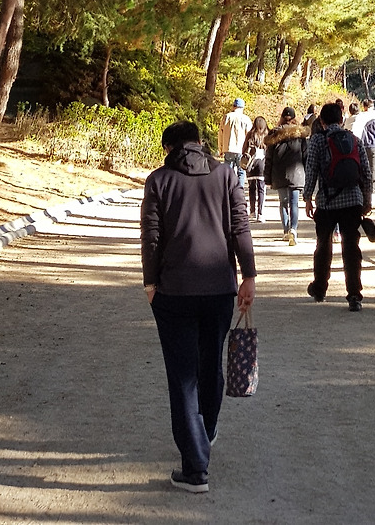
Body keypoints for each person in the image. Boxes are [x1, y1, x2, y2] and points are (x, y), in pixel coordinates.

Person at [141, 119, 256, 495]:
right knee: (210, 366)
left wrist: (150, 283)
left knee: (182, 376)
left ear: (169, 148)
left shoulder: (159, 180)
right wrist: (248, 275)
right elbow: (240, 226)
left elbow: (152, 237)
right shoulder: (225, 175)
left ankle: (195, 469)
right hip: (220, 288)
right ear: (199, 142)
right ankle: (206, 431)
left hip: (174, 292)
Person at [303, 99, 372, 309]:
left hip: (327, 202)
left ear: (322, 121)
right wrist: (367, 199)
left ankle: (320, 288)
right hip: (353, 201)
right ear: (342, 120)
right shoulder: (354, 139)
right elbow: (366, 172)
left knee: (323, 246)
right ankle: (354, 294)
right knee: (351, 247)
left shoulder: (317, 140)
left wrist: (308, 198)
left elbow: (311, 170)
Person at [264, 104, 308, 244]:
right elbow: (306, 156)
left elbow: (269, 158)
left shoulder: (274, 134)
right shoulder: (300, 134)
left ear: (282, 118)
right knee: (294, 203)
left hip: (279, 173)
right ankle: (293, 230)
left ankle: (285, 230)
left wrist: (267, 177)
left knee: (283, 202)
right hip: (297, 173)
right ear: (294, 118)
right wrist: (308, 174)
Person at [218, 96, 250, 186]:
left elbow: (220, 134)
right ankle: (239, 190)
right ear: (242, 107)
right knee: (241, 172)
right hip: (241, 150)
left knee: (228, 173)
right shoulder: (246, 119)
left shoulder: (226, 117)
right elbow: (249, 136)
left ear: (233, 106)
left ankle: (228, 191)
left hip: (228, 148)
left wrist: (220, 149)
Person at [243, 115, 268, 222]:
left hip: (251, 164)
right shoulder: (267, 135)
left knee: (252, 188)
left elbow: (244, 149)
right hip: (262, 164)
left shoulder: (250, 134)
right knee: (261, 189)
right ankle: (260, 213)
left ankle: (252, 211)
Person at [356, 97, 375, 188]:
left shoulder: (359, 117)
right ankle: (372, 188)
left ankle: (364, 187)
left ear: (364, 107)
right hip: (373, 146)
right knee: (373, 169)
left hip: (362, 145)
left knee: (363, 168)